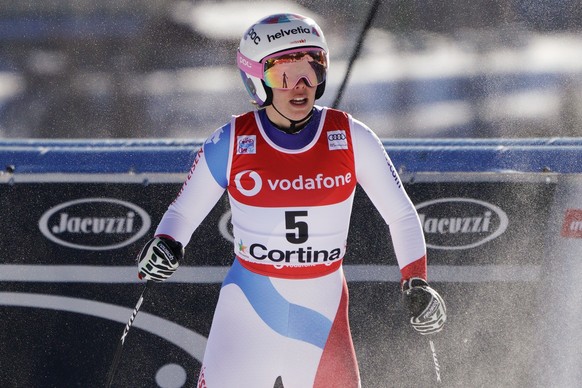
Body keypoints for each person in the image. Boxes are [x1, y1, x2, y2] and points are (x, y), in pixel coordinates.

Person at [137, 13, 446, 388]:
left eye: (312, 70)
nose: (301, 86)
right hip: (248, 311)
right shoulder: (232, 141)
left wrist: (416, 282)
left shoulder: (350, 137)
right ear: (255, 79)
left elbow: (400, 214)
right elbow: (183, 212)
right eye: (284, 75)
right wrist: (165, 244)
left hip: (323, 311)